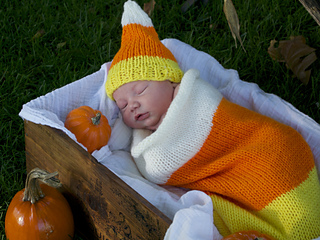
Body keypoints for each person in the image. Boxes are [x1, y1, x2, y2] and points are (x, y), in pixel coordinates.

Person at [106, 1, 320, 239]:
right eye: (122, 106)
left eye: (140, 90)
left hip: (267, 148)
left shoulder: (195, 97)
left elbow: (164, 162)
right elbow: (142, 157)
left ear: (170, 80)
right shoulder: (146, 137)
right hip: (231, 178)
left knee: (287, 200)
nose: (132, 105)